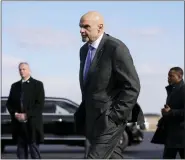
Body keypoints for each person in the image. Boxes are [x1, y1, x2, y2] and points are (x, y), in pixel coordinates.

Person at [74, 11, 141, 159]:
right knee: (113, 157)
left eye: (86, 26)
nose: (81, 30)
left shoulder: (116, 48)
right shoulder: (84, 50)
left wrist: (115, 116)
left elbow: (132, 86)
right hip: (92, 119)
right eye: (80, 26)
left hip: (110, 119)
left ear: (100, 27)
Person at [6, 62, 45, 159]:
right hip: (19, 126)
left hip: (32, 125)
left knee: (35, 153)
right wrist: (15, 114)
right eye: (20, 69)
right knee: (21, 154)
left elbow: (39, 105)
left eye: (24, 69)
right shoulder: (14, 86)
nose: (21, 71)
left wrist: (26, 115)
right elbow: (9, 103)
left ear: (29, 71)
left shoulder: (38, 85)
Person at [151, 67, 184, 159]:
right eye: (168, 76)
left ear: (180, 76)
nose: (168, 78)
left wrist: (171, 112)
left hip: (181, 136)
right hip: (172, 135)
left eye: (171, 76)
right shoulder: (173, 90)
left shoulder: (183, 90)